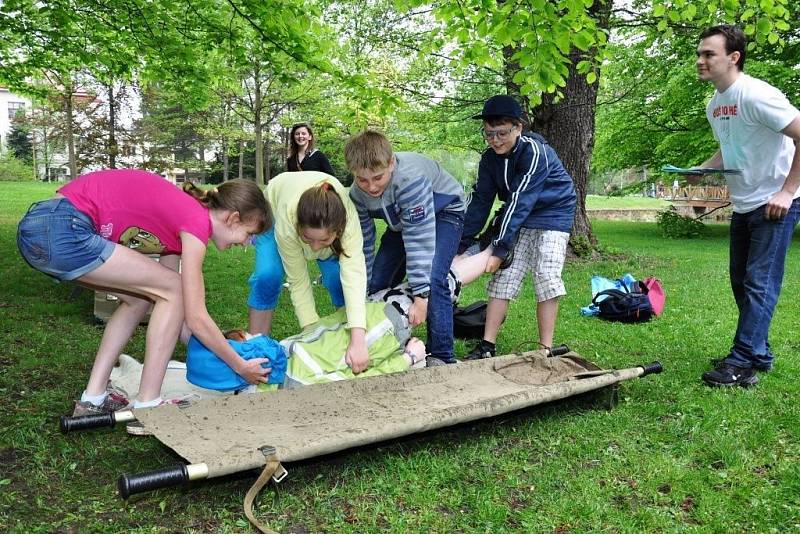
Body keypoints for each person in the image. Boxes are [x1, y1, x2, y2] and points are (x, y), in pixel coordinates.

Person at [16, 169, 272, 427]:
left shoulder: (181, 224)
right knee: (174, 288)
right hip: (64, 228)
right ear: (233, 218)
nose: (247, 243)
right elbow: (195, 316)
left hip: (42, 230)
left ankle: (92, 399)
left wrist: (213, 352)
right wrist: (239, 365)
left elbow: (176, 315)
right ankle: (148, 404)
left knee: (140, 299)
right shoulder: (196, 222)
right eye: (249, 234)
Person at [693, 25, 800, 387]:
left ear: (733, 57)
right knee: (741, 281)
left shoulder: (755, 95)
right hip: (744, 203)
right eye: (699, 54)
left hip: (776, 203)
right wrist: (700, 170)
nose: (700, 60)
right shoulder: (714, 105)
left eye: (709, 54)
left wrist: (787, 191)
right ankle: (760, 352)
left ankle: (741, 362)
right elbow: (730, 148)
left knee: (759, 283)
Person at [458, 94, 576, 361]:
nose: (495, 140)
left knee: (546, 274)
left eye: (501, 133)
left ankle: (545, 349)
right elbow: (480, 203)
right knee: (505, 277)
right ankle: (487, 345)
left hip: (553, 213)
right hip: (520, 212)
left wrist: (500, 247)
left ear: (519, 128)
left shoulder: (535, 152)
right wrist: (461, 244)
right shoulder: (490, 159)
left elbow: (521, 200)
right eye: (489, 134)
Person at [344, 130, 466, 366]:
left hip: (445, 213)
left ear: (391, 163)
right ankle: (383, 339)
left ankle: (441, 356)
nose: (370, 187)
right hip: (402, 221)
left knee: (433, 276)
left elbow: (419, 239)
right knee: (378, 279)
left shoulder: (410, 179)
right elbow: (363, 244)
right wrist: (362, 289)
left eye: (378, 178)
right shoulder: (356, 195)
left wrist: (421, 297)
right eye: (362, 179)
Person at [247, 171, 371, 373]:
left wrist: (359, 340)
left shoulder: (348, 220)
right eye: (307, 238)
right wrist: (313, 333)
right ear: (299, 227)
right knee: (267, 275)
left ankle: (349, 344)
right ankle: (255, 351)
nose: (314, 248)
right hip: (274, 208)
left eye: (323, 241)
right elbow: (298, 280)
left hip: (320, 220)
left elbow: (354, 275)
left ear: (338, 231)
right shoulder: (288, 221)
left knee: (337, 281)